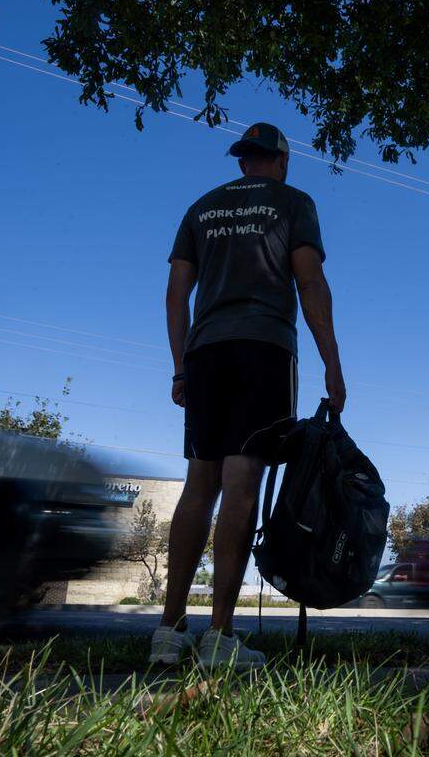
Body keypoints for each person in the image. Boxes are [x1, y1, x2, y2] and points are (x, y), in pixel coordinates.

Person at [150, 123, 345, 669]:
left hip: (206, 353)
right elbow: (309, 283)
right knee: (241, 484)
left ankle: (167, 631)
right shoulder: (293, 202)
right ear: (282, 161)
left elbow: (175, 292)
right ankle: (218, 637)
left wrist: (179, 366)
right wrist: (332, 362)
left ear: (243, 162)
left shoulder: (202, 208)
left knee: (199, 483)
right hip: (264, 349)